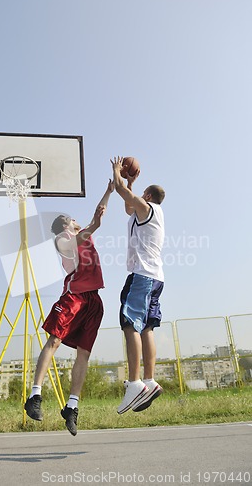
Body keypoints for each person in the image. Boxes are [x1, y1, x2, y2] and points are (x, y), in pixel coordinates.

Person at [24, 180, 114, 435]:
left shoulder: (82, 236)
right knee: (54, 341)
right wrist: (96, 217)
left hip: (93, 301)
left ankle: (71, 407)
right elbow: (92, 225)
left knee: (84, 354)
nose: (77, 220)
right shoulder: (63, 238)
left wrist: (108, 191)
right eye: (73, 219)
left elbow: (95, 221)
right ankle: (35, 396)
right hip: (74, 296)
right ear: (66, 223)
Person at [111, 156, 165, 414]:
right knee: (147, 327)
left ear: (148, 196)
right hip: (154, 277)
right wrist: (131, 182)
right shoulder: (145, 213)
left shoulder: (147, 208)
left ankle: (134, 383)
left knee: (129, 321)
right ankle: (149, 380)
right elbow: (127, 206)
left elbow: (123, 194)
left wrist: (117, 175)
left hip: (142, 276)